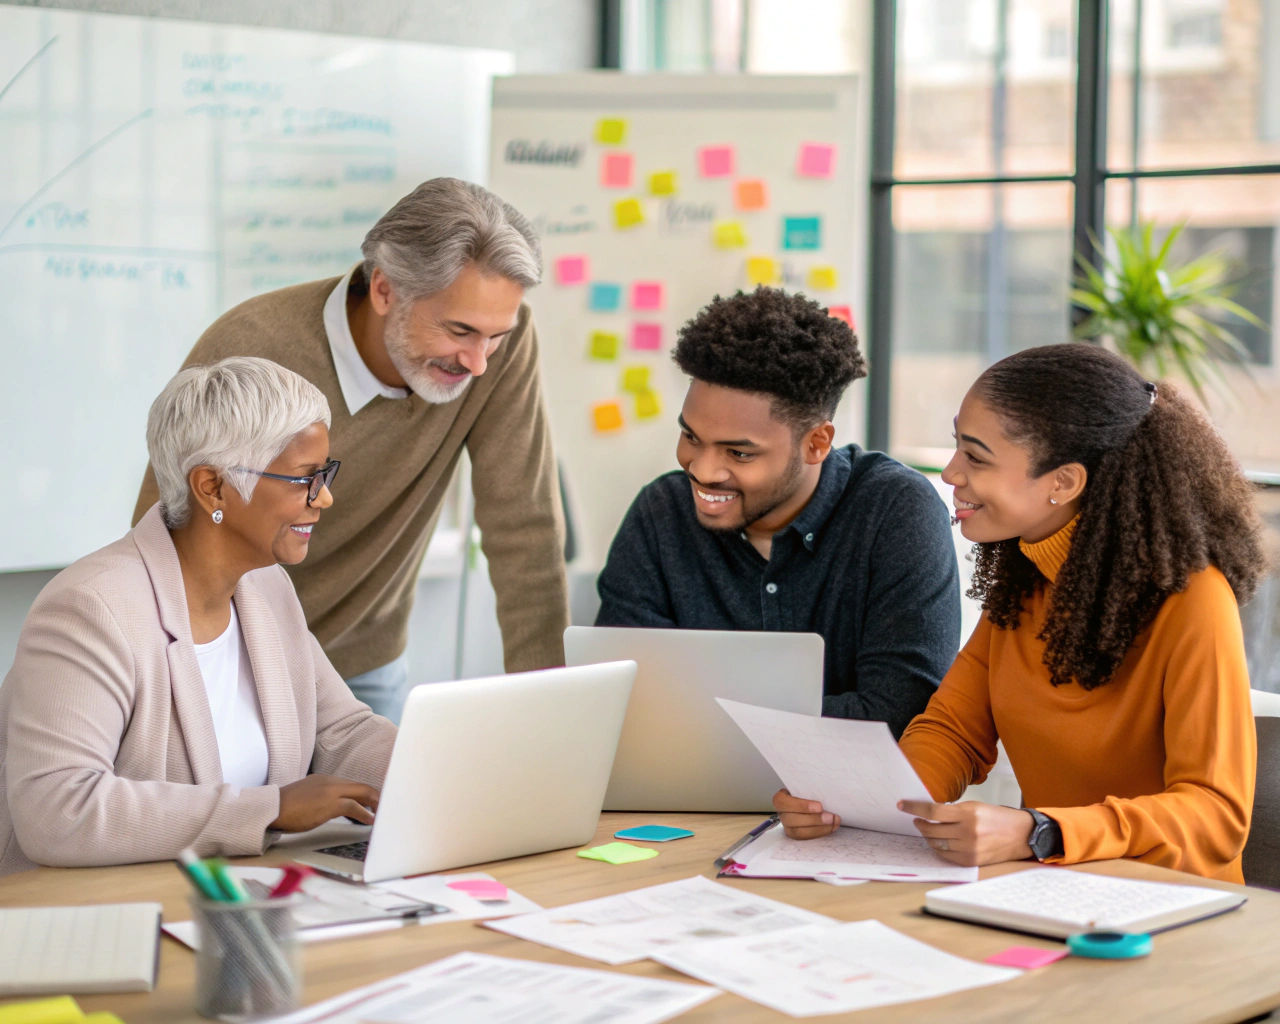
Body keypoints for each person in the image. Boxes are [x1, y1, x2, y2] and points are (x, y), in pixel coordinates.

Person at [774, 344, 1263, 882]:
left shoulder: (1193, 601)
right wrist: (859, 803)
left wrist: (1039, 831)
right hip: (1050, 890)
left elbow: (1216, 816)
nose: (952, 471)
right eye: (957, 444)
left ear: (1063, 482)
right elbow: (952, 732)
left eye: (977, 457)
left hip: (1171, 912)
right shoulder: (1026, 582)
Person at [132, 178, 568, 723]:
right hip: (227, 659)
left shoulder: (500, 343)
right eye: (459, 330)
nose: (479, 363)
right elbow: (166, 525)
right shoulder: (253, 346)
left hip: (363, 662)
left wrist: (555, 717)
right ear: (385, 289)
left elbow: (523, 524)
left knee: (388, 803)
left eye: (494, 336)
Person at [0, 358, 397, 876]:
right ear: (212, 487)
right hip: (99, 923)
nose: (325, 497)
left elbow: (341, 733)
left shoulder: (264, 587)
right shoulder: (91, 608)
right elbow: (58, 810)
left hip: (225, 902)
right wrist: (271, 808)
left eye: (325, 473)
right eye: (306, 478)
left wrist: (449, 774)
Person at [595, 288, 960, 737]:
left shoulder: (896, 512)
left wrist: (703, 717)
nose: (704, 471)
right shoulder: (661, 512)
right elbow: (624, 702)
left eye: (738, 453)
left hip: (848, 803)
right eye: (691, 437)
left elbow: (901, 710)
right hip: (686, 802)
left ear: (816, 444)